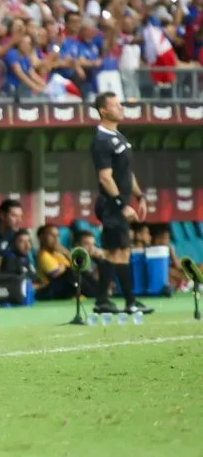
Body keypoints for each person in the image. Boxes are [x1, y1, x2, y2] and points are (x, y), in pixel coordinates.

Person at [90, 92, 154, 315]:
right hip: (110, 205)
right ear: (103, 111)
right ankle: (124, 301)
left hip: (120, 203)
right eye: (116, 105)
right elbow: (105, 177)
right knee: (118, 252)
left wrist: (139, 196)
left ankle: (110, 301)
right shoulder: (101, 140)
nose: (121, 108)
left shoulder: (119, 136)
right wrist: (121, 204)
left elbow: (126, 173)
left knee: (117, 252)